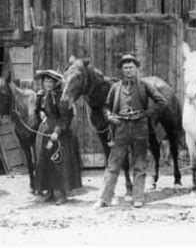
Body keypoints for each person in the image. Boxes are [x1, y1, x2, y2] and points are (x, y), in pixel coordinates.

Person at [94, 54, 166, 209]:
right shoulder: (115, 87)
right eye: (125, 68)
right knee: (113, 164)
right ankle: (104, 198)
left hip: (140, 128)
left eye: (131, 67)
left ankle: (138, 197)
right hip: (120, 128)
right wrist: (109, 117)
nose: (128, 71)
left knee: (139, 164)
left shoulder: (145, 85)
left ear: (136, 69)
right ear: (122, 70)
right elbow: (105, 106)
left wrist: (146, 114)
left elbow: (161, 102)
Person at [33, 70, 82, 205]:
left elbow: (66, 116)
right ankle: (48, 191)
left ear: (55, 83)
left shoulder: (62, 97)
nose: (48, 84)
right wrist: (41, 113)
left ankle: (62, 194)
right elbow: (38, 110)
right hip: (45, 131)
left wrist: (57, 131)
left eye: (50, 82)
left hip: (59, 133)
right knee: (44, 161)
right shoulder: (42, 96)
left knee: (59, 161)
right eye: (46, 81)